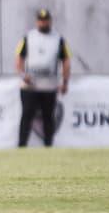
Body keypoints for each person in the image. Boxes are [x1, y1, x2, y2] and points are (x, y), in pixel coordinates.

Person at [15, 8, 71, 148]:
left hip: (49, 85)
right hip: (30, 84)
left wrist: (65, 81)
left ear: (50, 21)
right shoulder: (28, 37)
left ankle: (48, 146)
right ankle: (22, 146)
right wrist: (23, 75)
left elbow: (66, 61)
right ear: (37, 21)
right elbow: (18, 58)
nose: (43, 23)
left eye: (46, 20)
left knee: (48, 116)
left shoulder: (59, 39)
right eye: (41, 20)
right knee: (27, 115)